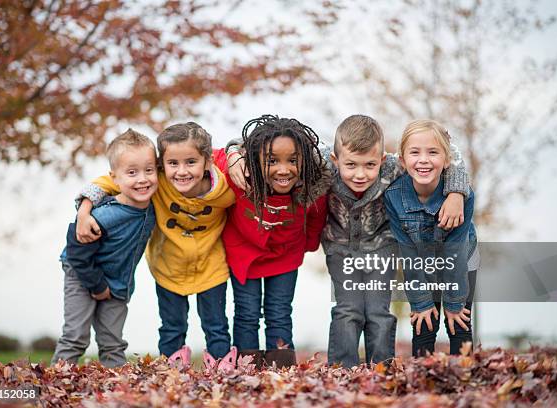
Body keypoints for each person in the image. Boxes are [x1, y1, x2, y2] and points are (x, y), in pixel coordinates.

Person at [75, 123, 237, 372]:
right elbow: (109, 180)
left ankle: (221, 372)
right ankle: (171, 372)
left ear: (207, 162)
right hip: (168, 267)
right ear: (162, 164)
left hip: (210, 266)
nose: (181, 172)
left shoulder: (225, 190)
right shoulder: (154, 182)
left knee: (216, 326)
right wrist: (84, 211)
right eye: (173, 163)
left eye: (191, 162)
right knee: (172, 326)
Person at [321, 115, 470, 367]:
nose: (360, 174)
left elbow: (448, 156)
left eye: (370, 165)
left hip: (382, 245)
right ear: (336, 161)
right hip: (340, 248)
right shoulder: (324, 162)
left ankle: (382, 367)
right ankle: (341, 369)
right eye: (351, 165)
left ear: (381, 159)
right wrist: (236, 153)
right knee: (348, 310)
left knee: (378, 312)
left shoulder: (393, 166)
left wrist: (456, 192)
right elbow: (293, 145)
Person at [220, 115, 331, 368]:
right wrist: (234, 154)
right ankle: (248, 370)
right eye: (272, 161)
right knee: (246, 313)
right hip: (244, 253)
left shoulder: (313, 185)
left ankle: (281, 370)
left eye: (292, 160)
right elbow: (215, 155)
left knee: (279, 313)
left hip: (286, 255)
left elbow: (315, 218)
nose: (283, 169)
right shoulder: (240, 175)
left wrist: (309, 245)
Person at [52, 129, 158, 368]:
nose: (142, 179)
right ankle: (52, 386)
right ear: (115, 178)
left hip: (119, 281)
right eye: (132, 172)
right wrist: (97, 285)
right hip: (82, 274)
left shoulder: (154, 202)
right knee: (75, 337)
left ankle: (116, 390)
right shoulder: (105, 215)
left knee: (112, 341)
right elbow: (77, 251)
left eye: (149, 170)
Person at [384, 119, 479, 357]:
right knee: (424, 323)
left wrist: (455, 302)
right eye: (415, 152)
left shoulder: (463, 196)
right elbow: (407, 253)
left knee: (459, 323)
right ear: (403, 161)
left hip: (462, 260)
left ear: (446, 160)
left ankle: (464, 379)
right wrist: (421, 302)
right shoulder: (393, 197)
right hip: (420, 263)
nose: (424, 159)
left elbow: (455, 250)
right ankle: (422, 379)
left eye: (433, 152)